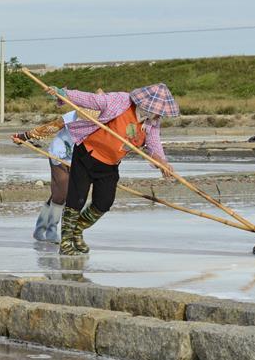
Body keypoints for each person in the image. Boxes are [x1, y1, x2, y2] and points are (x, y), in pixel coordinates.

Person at [48, 83, 179, 256]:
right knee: (76, 200)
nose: (159, 115)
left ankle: (76, 230)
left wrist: (162, 163)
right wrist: (63, 93)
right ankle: (65, 242)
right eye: (157, 111)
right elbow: (91, 99)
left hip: (110, 165)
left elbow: (154, 144)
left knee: (103, 203)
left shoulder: (152, 122)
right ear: (146, 105)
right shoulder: (120, 101)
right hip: (86, 155)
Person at [13, 110, 80, 243]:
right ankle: (51, 230)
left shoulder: (103, 119)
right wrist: (24, 136)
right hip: (59, 153)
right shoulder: (73, 115)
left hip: (78, 158)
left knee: (59, 193)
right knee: (62, 193)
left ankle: (40, 228)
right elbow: (51, 127)